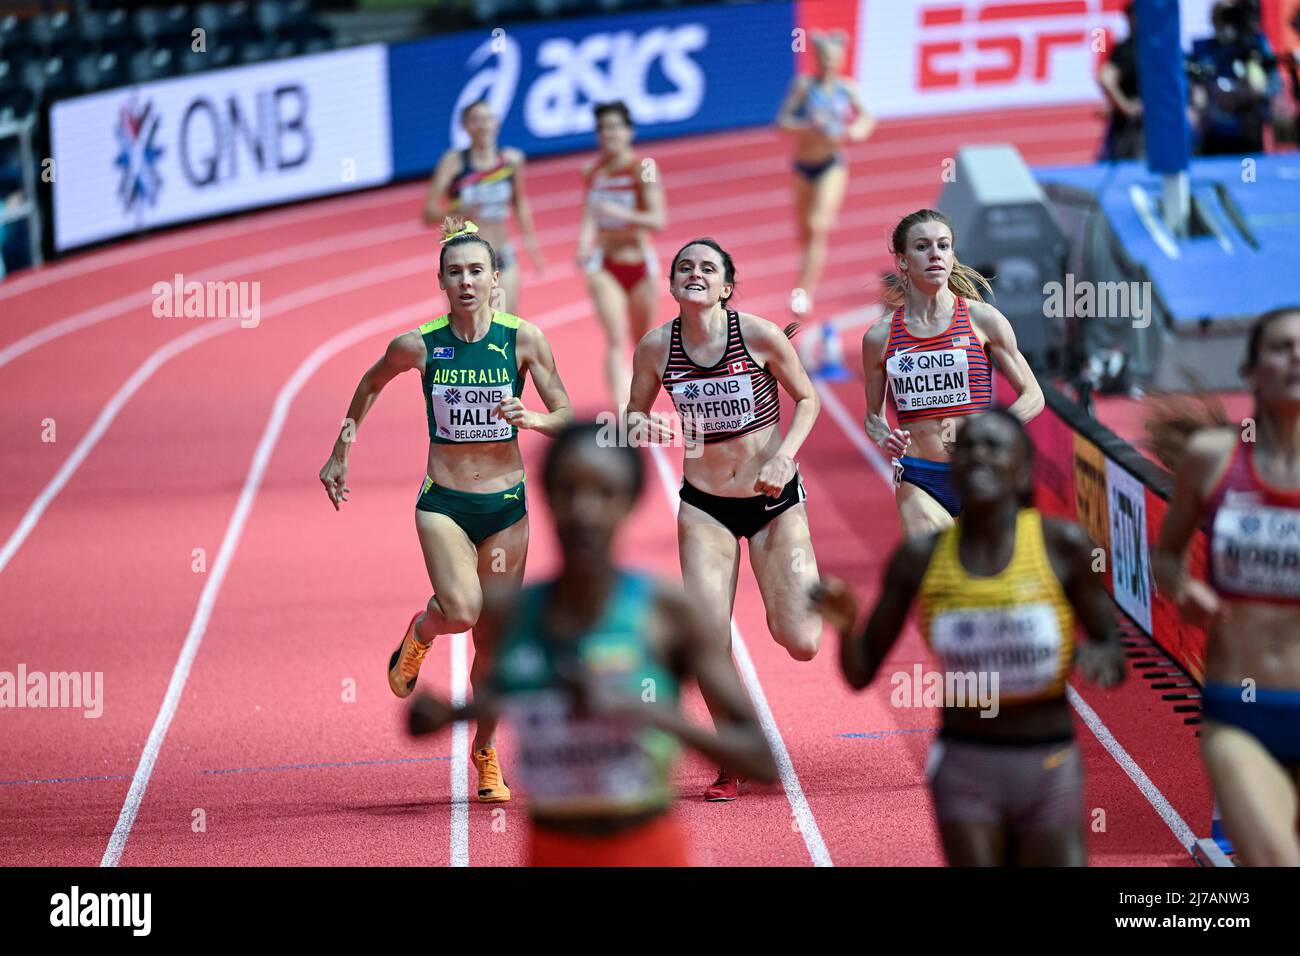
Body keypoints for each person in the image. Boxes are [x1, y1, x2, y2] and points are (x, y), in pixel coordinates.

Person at [407, 422, 779, 865]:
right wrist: (448, 715)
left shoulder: (665, 612)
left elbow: (761, 762)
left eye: (604, 493)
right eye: (568, 491)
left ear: (629, 503)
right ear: (546, 497)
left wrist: (643, 712)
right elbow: (519, 690)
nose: (584, 510)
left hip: (647, 851)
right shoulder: (514, 614)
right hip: (551, 853)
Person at [319, 215, 574, 803]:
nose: (466, 281)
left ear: (493, 279)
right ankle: (420, 632)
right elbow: (369, 383)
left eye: (476, 271)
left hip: (507, 507)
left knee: (495, 639)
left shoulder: (524, 339)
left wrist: (533, 417)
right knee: (461, 610)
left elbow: (564, 412)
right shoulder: (419, 344)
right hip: (444, 504)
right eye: (455, 272)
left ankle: (486, 753)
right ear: (441, 279)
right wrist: (341, 451)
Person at [814, 408, 1126, 866]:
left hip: (1048, 762)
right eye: (967, 447)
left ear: (1021, 471)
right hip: (966, 766)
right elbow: (861, 672)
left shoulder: (1063, 547)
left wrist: (1099, 658)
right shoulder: (917, 559)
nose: (978, 454)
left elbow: (1112, 648)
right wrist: (844, 628)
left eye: (993, 446)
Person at [625, 238, 822, 801]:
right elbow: (632, 415)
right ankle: (733, 752)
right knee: (709, 639)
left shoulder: (757, 333)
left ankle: (793, 595)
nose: (695, 273)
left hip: (773, 502)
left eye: (707, 268)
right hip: (705, 504)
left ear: (726, 286)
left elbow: (806, 399)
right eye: (684, 266)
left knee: (801, 639)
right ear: (672, 285)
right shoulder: (656, 347)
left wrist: (785, 457)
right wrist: (647, 427)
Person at [1152, 306, 1300, 866]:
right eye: (1282, 347)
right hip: (1241, 711)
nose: (1297, 357)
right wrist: (1181, 586)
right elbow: (1166, 558)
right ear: (1251, 370)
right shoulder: (1211, 460)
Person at [861, 208, 1044, 537]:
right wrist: (884, 436)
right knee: (939, 573)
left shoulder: (983, 319)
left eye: (943, 246)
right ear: (902, 261)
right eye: (922, 247)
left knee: (987, 584)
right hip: (920, 476)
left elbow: (1033, 396)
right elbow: (873, 416)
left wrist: (990, 432)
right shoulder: (880, 336)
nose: (935, 255)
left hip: (981, 470)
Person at [775, 30, 874, 324]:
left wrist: (858, 130)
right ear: (817, 59)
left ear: (841, 59)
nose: (829, 63)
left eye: (834, 58)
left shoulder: (847, 89)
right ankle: (806, 278)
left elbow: (868, 117)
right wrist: (807, 126)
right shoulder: (804, 86)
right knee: (805, 233)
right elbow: (782, 123)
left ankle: (803, 292)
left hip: (832, 166)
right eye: (824, 58)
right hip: (802, 168)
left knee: (818, 226)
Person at [576, 100, 668, 407]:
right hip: (604, 265)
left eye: (615, 127)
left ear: (629, 132)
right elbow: (591, 211)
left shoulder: (645, 169)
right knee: (615, 341)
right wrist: (583, 244)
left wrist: (618, 212)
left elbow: (658, 220)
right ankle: (622, 415)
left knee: (643, 342)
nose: (609, 134)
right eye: (603, 129)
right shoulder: (592, 171)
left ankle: (641, 405)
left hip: (640, 264)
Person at [423, 100, 545, 314]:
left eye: (488, 119)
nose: (483, 125)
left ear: (496, 123)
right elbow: (428, 214)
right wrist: (458, 213)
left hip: (500, 258)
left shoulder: (511, 161)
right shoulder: (454, 162)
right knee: (468, 332)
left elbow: (519, 201)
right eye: (476, 120)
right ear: (465, 127)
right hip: (465, 262)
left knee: (502, 328)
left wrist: (531, 244)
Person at [1097, 2, 1144, 162]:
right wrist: (1125, 106)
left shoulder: (1158, 49)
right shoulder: (1127, 50)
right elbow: (1105, 77)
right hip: (1132, 133)